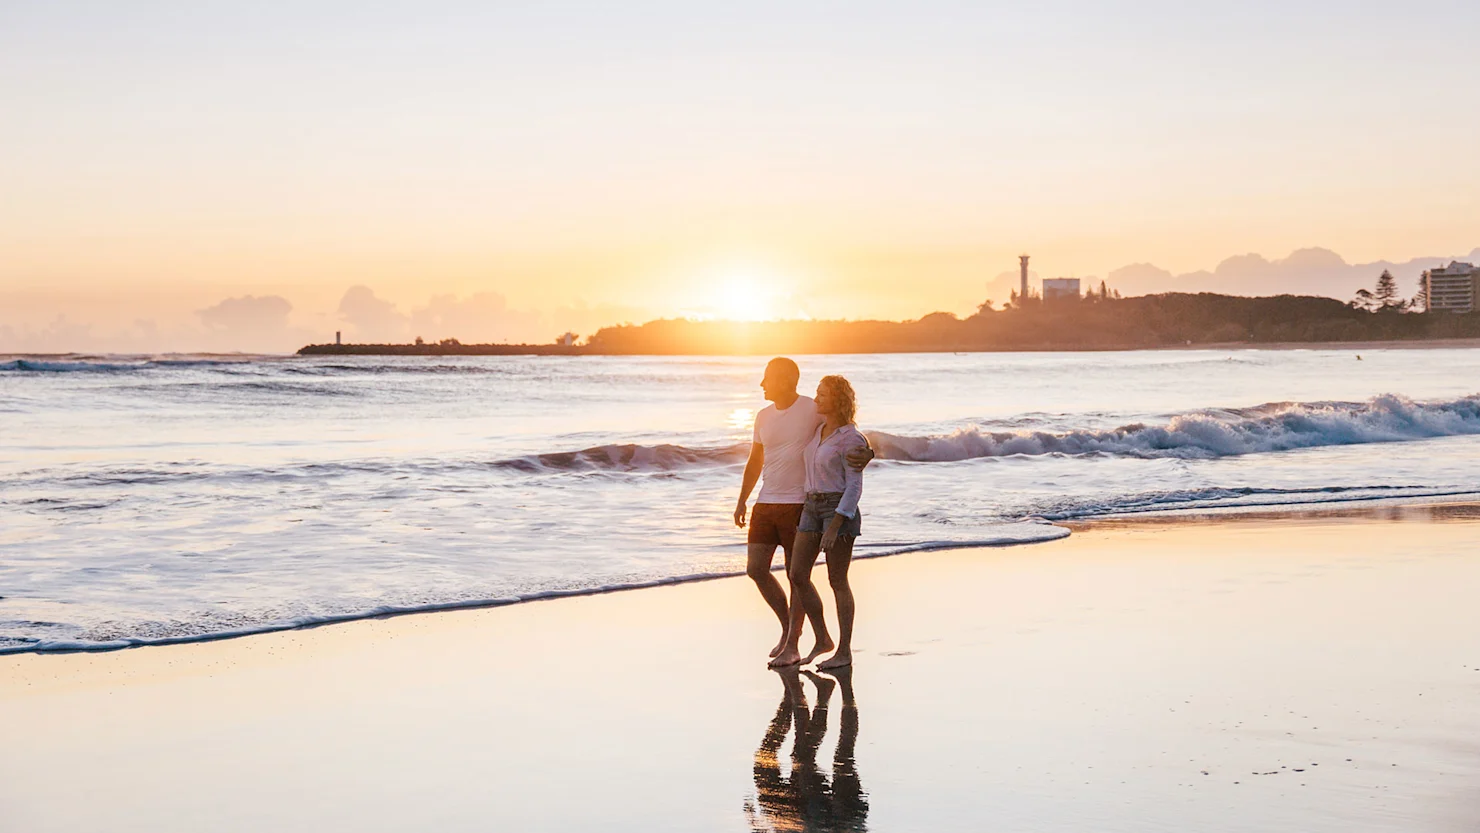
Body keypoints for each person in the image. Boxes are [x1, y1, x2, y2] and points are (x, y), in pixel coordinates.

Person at [736, 358, 871, 662]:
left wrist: (869, 453)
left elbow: (850, 437)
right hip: (781, 503)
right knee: (765, 570)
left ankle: (805, 644)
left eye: (767, 378)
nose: (761, 384)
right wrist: (742, 498)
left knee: (813, 576)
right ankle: (797, 633)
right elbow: (755, 459)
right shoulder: (767, 417)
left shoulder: (813, 410)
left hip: (807, 504)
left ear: (786, 380)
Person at [771, 375, 865, 670]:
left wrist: (836, 524)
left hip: (838, 510)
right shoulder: (818, 429)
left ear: (838, 400)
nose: (817, 398)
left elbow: (854, 486)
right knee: (797, 574)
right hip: (811, 507)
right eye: (817, 393)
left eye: (822, 394)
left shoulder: (851, 438)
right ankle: (823, 637)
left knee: (837, 580)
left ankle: (845, 651)